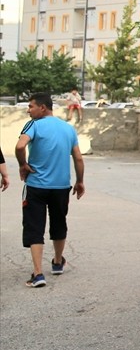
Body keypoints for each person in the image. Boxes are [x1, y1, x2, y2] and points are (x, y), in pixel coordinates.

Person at [15, 92, 85, 287]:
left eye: (31, 106)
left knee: (34, 226)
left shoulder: (34, 125)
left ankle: (38, 274)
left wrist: (23, 164)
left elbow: (20, 147)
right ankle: (56, 262)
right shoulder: (68, 129)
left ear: (42, 107)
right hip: (61, 186)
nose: (28, 110)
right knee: (58, 222)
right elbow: (78, 158)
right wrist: (80, 181)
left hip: (36, 186)